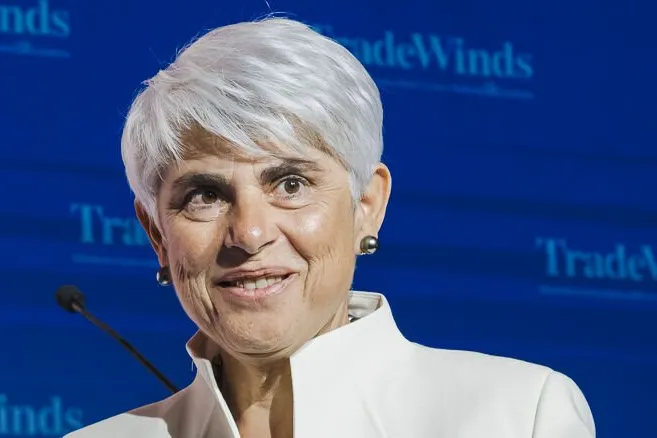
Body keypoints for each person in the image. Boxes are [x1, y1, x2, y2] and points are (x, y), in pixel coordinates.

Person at [65, 16, 595, 438]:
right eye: (205, 196)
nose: (249, 233)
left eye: (291, 184)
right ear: (157, 235)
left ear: (367, 205)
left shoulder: (518, 416)